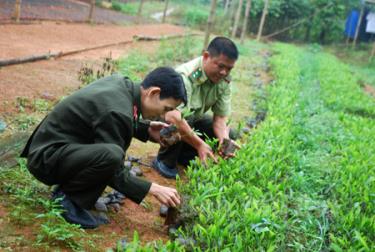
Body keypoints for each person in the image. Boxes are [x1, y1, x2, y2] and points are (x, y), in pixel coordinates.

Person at [20, 67, 186, 229]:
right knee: (112, 155)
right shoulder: (117, 110)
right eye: (166, 109)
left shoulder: (123, 86)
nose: (164, 115)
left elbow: (107, 119)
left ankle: (75, 194)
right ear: (154, 93)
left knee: (109, 153)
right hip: (45, 160)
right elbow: (115, 171)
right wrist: (153, 188)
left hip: (53, 148)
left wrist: (147, 129)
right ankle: (69, 201)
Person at [152, 37, 239, 179]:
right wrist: (199, 145)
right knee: (185, 117)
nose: (224, 72)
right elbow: (173, 116)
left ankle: (183, 156)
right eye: (220, 66)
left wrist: (225, 140)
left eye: (229, 69)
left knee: (229, 135)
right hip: (163, 118)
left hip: (191, 119)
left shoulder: (224, 80)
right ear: (206, 56)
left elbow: (220, 119)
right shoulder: (186, 76)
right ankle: (165, 161)